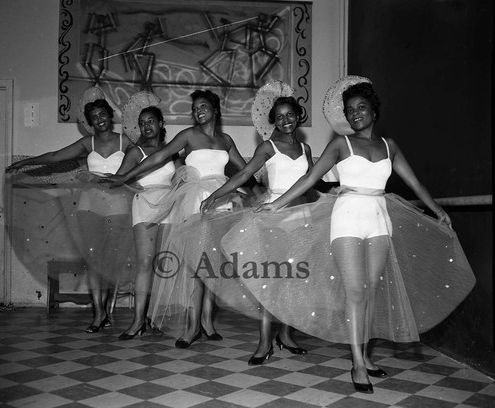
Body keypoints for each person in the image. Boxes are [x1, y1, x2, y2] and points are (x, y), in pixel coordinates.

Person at [250, 77, 475, 393]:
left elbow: (416, 184)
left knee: (370, 292)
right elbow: (310, 177)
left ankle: (365, 354)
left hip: (379, 220)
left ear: (374, 111)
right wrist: (276, 204)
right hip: (347, 220)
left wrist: (437, 209)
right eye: (349, 109)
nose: (355, 114)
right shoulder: (341, 144)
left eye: (361, 107)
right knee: (355, 292)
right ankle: (357, 362)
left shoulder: (389, 146)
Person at [100, 89, 259, 348]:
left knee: (212, 263)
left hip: (222, 200)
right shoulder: (187, 135)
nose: (198, 111)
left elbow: (245, 170)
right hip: (195, 201)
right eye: (194, 107)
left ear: (215, 110)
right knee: (196, 263)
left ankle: (207, 321)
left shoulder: (226, 140)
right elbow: (159, 157)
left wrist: (257, 192)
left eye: (203, 106)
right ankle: (192, 326)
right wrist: (124, 177)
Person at [6, 97, 135, 333]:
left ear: (110, 115)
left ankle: (106, 309)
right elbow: (56, 156)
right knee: (94, 260)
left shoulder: (125, 142)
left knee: (109, 261)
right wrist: (26, 162)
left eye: (102, 114)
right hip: (90, 205)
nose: (99, 119)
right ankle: (99, 315)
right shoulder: (88, 143)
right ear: (90, 122)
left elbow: (142, 163)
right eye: (94, 117)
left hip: (118, 206)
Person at [201, 93, 312, 365]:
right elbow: (242, 175)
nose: (285, 120)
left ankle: (285, 335)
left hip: (302, 217)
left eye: (290, 115)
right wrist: (215, 195)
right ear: (273, 120)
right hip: (274, 217)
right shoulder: (268, 147)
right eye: (280, 116)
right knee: (271, 281)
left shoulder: (306, 150)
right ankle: (264, 342)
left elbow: (311, 180)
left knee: (295, 280)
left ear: (298, 116)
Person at [115, 105, 181, 340]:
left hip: (169, 206)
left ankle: (157, 317)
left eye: (151, 120)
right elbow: (119, 178)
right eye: (142, 122)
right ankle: (137, 321)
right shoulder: (135, 151)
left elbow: (184, 177)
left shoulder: (171, 151)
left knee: (165, 264)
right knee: (144, 262)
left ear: (161, 124)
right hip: (144, 205)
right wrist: (132, 185)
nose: (146, 125)